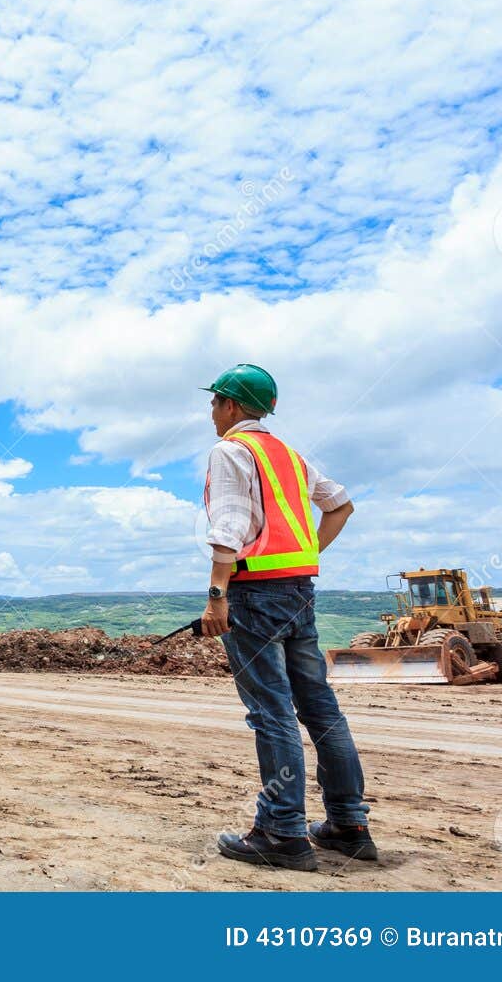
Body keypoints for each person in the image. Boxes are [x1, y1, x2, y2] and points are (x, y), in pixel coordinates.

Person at [197, 363, 374, 871]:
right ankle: (348, 824)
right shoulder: (289, 456)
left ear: (232, 405)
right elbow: (340, 506)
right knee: (320, 709)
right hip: (299, 591)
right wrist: (305, 554)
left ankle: (281, 833)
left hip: (255, 595)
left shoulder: (231, 450)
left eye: (214, 403)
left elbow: (228, 528)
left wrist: (216, 597)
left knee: (271, 713)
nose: (211, 412)